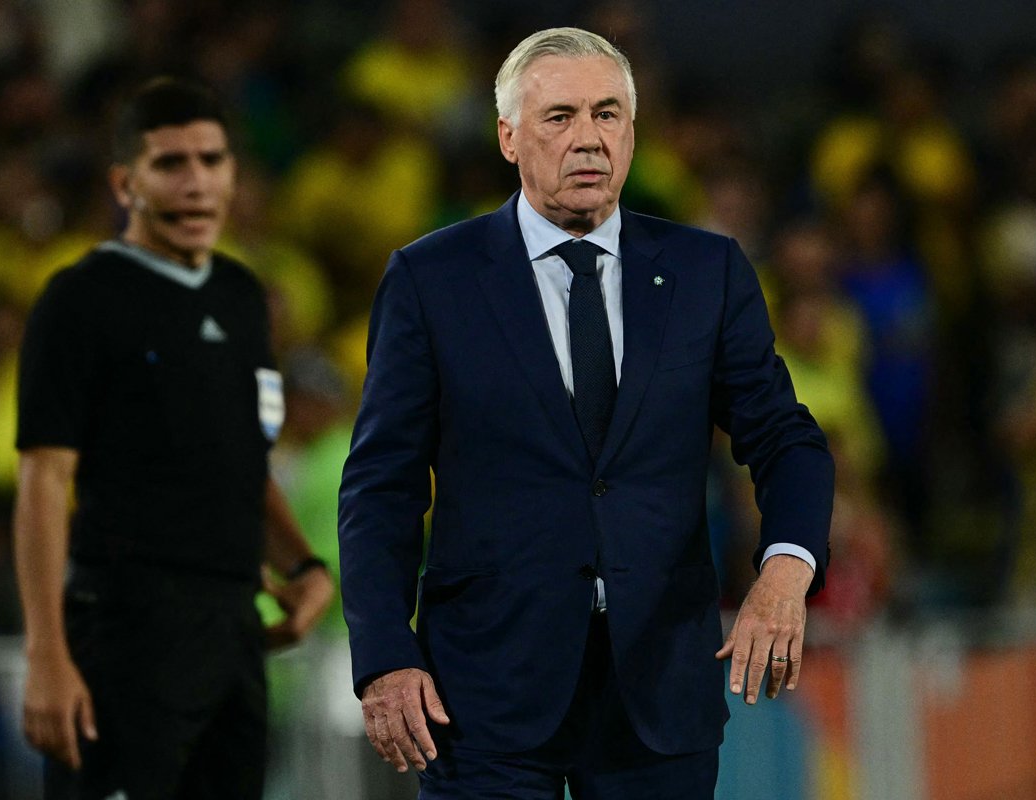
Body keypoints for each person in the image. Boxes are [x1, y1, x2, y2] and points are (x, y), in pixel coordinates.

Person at [338, 28, 834, 798]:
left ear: (632, 131)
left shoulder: (707, 273)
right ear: (508, 137)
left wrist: (784, 571)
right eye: (560, 117)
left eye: (607, 114)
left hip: (658, 690)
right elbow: (382, 487)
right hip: (484, 695)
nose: (589, 138)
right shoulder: (431, 279)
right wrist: (384, 655)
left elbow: (785, 439)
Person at [13, 77, 333, 800]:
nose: (195, 183)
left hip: (235, 635)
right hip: (125, 631)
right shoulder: (81, 298)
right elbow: (43, 477)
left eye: (211, 160)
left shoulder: (243, 297)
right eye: (170, 163)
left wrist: (303, 565)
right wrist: (46, 655)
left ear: (233, 175)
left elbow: (243, 463)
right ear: (124, 183)